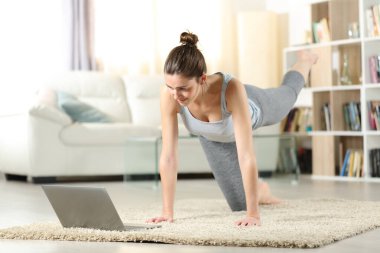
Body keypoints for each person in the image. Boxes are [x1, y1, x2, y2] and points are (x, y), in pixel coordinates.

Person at [146, 31, 318, 227]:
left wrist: (254, 215)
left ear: (202, 79)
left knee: (287, 95)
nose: (175, 95)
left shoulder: (231, 88)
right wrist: (167, 212)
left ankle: (305, 61)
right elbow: (168, 157)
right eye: (170, 87)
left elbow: (246, 155)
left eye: (183, 88)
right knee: (239, 205)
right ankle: (262, 190)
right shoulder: (170, 96)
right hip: (212, 138)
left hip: (255, 106)